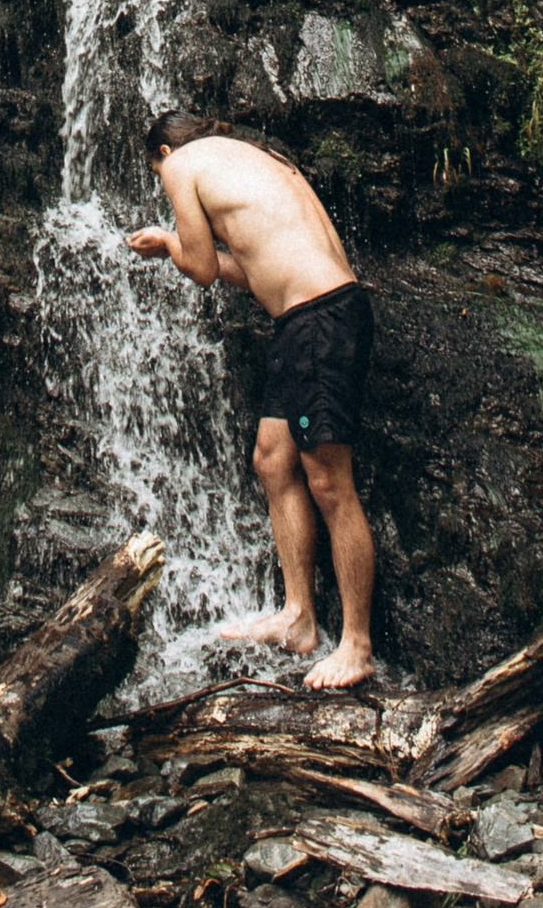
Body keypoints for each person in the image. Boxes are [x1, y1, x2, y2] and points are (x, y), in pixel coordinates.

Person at [126, 106, 377, 688]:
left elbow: (202, 269)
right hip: (311, 318)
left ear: (163, 152)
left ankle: (357, 646)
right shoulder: (257, 159)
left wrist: (167, 242)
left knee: (329, 481)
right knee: (272, 458)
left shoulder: (180, 164)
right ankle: (297, 618)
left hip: (321, 320)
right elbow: (253, 266)